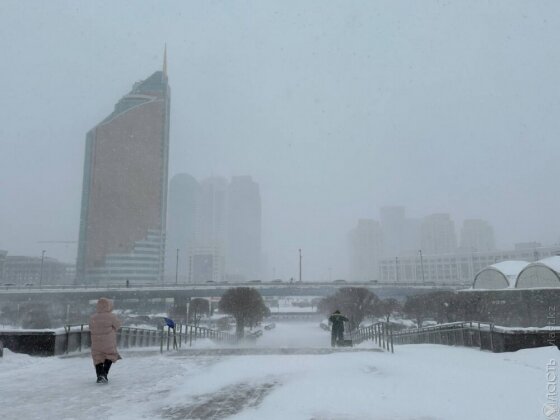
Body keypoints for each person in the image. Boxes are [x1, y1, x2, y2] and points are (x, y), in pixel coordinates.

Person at [89, 297, 122, 383]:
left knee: (97, 358)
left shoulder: (93, 317)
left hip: (96, 342)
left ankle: (99, 375)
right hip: (108, 341)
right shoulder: (112, 316)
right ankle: (104, 374)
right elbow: (118, 326)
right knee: (110, 355)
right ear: (109, 306)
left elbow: (90, 328)